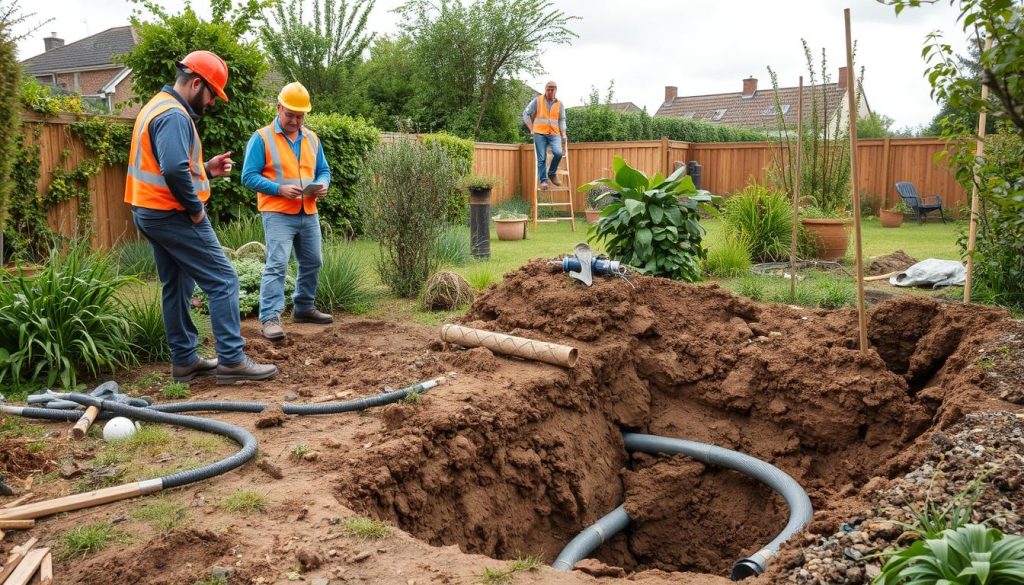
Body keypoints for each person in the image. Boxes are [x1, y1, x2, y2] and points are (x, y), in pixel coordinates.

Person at [125, 50, 278, 385]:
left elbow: (170, 165)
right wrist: (195, 209)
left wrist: (206, 170)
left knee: (177, 285)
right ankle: (232, 360)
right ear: (196, 83)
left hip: (149, 210)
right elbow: (174, 170)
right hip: (173, 213)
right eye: (212, 94)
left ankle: (185, 361)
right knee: (223, 280)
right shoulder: (175, 115)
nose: (211, 102)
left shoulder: (157, 106)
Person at [241, 81, 333, 342]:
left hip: (308, 210)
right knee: (277, 264)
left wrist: (323, 184)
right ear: (278, 107)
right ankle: (269, 317)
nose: (295, 120)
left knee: (313, 261)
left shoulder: (312, 138)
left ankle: (304, 308)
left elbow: (323, 170)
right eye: (290, 114)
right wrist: (279, 189)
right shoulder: (261, 138)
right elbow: (248, 177)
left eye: (300, 116)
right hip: (278, 212)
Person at [522, 80, 567, 190]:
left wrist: (564, 133)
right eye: (548, 89)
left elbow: (562, 119)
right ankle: (543, 181)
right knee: (542, 158)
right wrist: (531, 129)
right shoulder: (537, 101)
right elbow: (526, 114)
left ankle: (551, 173)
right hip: (539, 133)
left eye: (552, 89)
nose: (550, 91)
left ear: (556, 90)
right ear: (545, 90)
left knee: (558, 153)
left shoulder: (559, 104)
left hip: (554, 133)